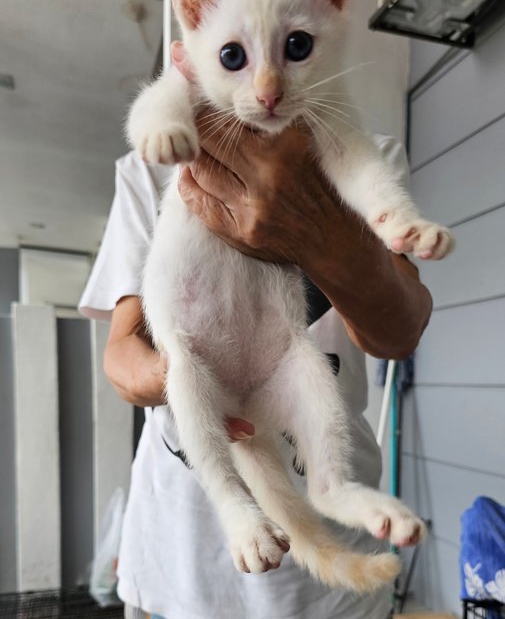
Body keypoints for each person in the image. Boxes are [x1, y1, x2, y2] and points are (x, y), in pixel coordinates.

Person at [80, 54, 432, 619]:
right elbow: (122, 354)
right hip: (181, 551)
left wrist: (314, 230)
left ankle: (334, 491)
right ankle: (235, 500)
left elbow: (401, 330)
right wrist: (191, 387)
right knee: (190, 370)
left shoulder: (363, 153)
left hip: (319, 577)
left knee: (304, 361)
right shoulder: (159, 157)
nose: (265, 85)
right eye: (235, 55)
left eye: (292, 47)